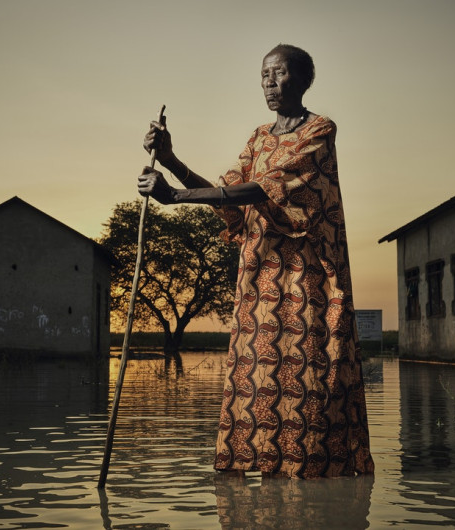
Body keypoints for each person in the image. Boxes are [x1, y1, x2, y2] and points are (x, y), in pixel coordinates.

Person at [138, 43, 375, 478]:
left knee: (311, 375)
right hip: (260, 278)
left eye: (279, 73)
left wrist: (174, 196)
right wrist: (171, 161)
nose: (269, 81)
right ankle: (262, 471)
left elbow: (263, 189)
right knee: (257, 374)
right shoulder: (258, 138)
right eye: (264, 74)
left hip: (308, 281)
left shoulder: (319, 131)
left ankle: (316, 478)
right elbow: (228, 195)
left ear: (303, 80)